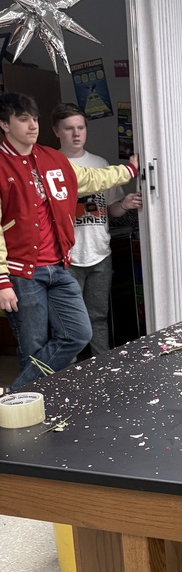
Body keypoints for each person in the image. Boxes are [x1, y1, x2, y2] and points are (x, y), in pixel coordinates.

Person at [0, 92, 139, 392]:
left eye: (35, 119)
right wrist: (2, 280)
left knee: (78, 332)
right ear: (4, 124)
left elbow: (91, 178)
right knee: (34, 346)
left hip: (59, 266)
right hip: (23, 272)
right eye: (23, 119)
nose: (32, 125)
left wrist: (129, 170)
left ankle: (14, 396)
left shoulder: (52, 159)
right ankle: (36, 402)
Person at [52, 103, 142, 357]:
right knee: (68, 322)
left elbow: (110, 210)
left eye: (81, 127)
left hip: (100, 253)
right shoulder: (51, 165)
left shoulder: (100, 164)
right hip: (66, 258)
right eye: (69, 128)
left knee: (99, 316)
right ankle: (70, 371)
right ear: (56, 131)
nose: (76, 134)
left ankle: (102, 365)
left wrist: (124, 204)